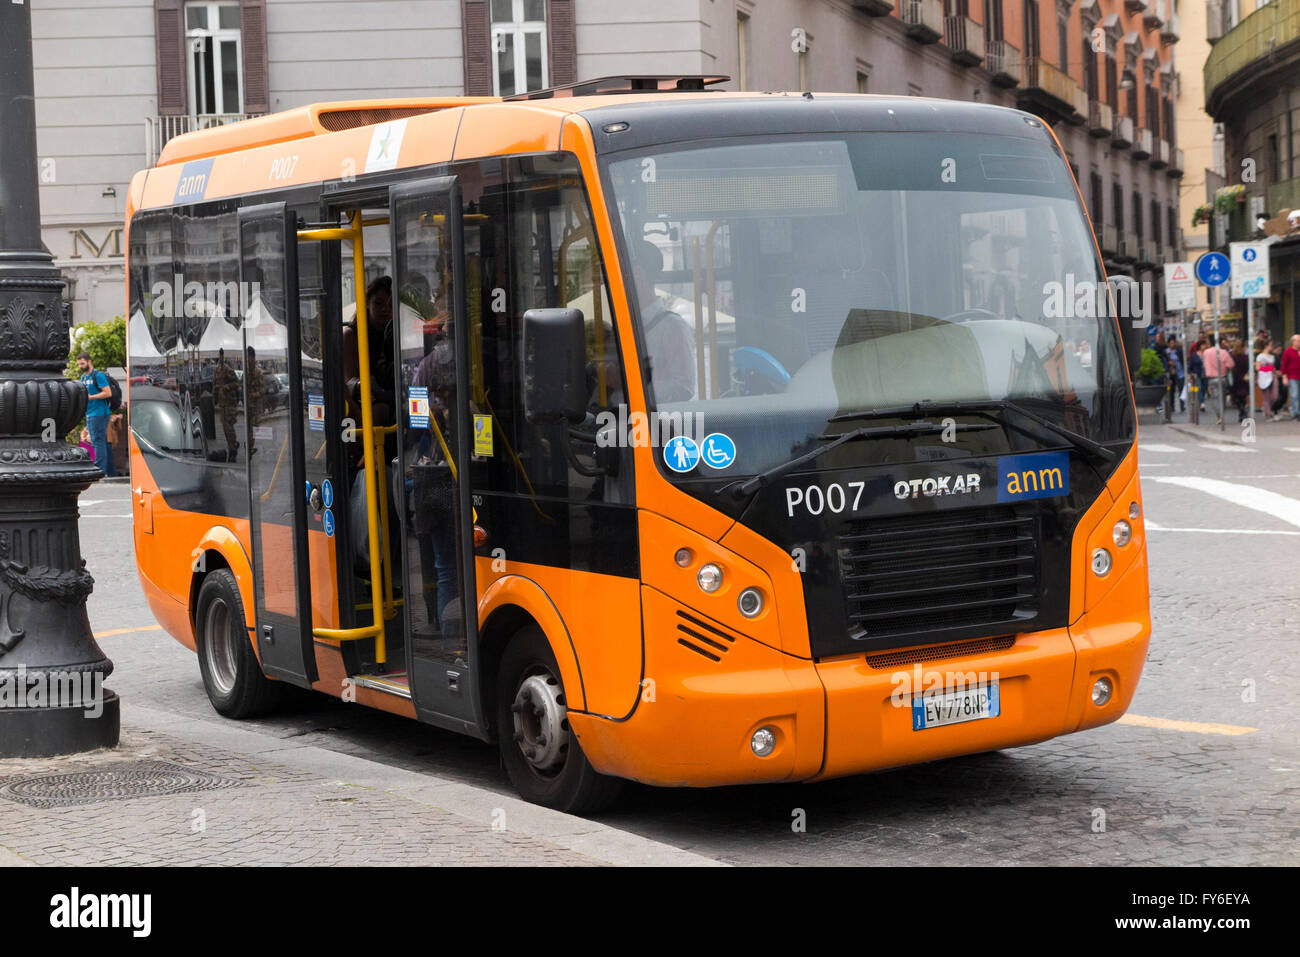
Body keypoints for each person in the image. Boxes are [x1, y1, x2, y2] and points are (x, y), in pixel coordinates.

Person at [630, 238, 697, 402]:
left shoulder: (673, 327)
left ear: (638, 274)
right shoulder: (627, 325)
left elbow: (685, 387)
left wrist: (630, 384)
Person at [76, 351, 115, 476]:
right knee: (99, 441)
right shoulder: (83, 377)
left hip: (99, 413)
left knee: (97, 441)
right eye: (79, 364)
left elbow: (108, 393)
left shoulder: (98, 375)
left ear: (89, 361)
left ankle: (99, 468)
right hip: (90, 413)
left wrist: (91, 397)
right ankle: (108, 470)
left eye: (82, 363)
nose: (81, 366)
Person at [212, 347, 241, 461]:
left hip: (229, 403)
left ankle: (232, 450)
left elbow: (236, 383)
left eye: (222, 355)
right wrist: (214, 397)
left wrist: (227, 387)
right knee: (225, 428)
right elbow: (214, 384)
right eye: (220, 355)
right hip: (222, 403)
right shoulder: (217, 369)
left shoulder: (228, 370)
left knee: (229, 427)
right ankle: (233, 444)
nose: (221, 357)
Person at [1201, 336, 1233, 425]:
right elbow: (1230, 364)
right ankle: (1221, 414)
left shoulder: (1206, 353)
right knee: (1222, 397)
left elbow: (1204, 364)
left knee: (1215, 397)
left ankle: (1219, 416)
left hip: (1211, 378)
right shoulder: (1223, 352)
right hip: (1222, 377)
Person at [244, 346, 264, 454]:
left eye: (249, 357)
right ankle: (249, 447)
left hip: (255, 406)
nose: (248, 359)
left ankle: (250, 447)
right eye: (247, 357)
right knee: (248, 429)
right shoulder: (245, 372)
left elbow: (262, 390)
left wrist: (254, 394)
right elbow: (241, 385)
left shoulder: (258, 373)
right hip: (247, 406)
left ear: (253, 357)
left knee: (254, 429)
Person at [1256, 339, 1278, 421]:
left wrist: (1275, 372)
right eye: (1271, 345)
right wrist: (1270, 368)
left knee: (1274, 396)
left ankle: (1266, 407)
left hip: (1272, 377)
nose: (1272, 347)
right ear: (1266, 346)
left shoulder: (1272, 356)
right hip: (1264, 378)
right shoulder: (1260, 356)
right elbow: (1258, 368)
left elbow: (1273, 368)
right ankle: (1268, 414)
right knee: (1266, 397)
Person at [1230, 340, 1250, 423]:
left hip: (1235, 378)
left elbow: (1230, 367)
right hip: (1244, 377)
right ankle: (1243, 412)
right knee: (1243, 396)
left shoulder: (1232, 357)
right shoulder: (1246, 357)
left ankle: (1242, 411)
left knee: (1237, 396)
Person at [1282, 334, 1300, 420]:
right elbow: (1284, 365)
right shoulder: (1288, 352)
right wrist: (1284, 377)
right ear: (1293, 342)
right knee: (1294, 395)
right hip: (1292, 377)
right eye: (1298, 341)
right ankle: (1295, 413)